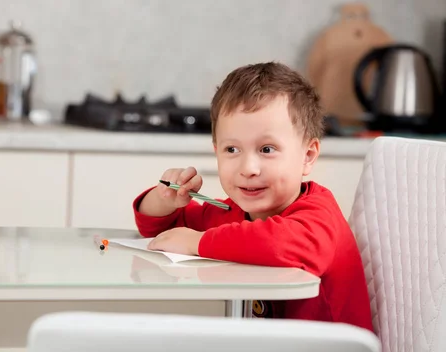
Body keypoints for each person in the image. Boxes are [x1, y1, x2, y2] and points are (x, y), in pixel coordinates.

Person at [131, 62, 373, 331]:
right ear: (216, 152)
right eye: (232, 149)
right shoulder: (229, 213)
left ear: (307, 156)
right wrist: (164, 199)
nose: (248, 169)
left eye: (267, 149)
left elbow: (278, 244)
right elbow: (162, 233)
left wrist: (196, 242)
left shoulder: (318, 215)